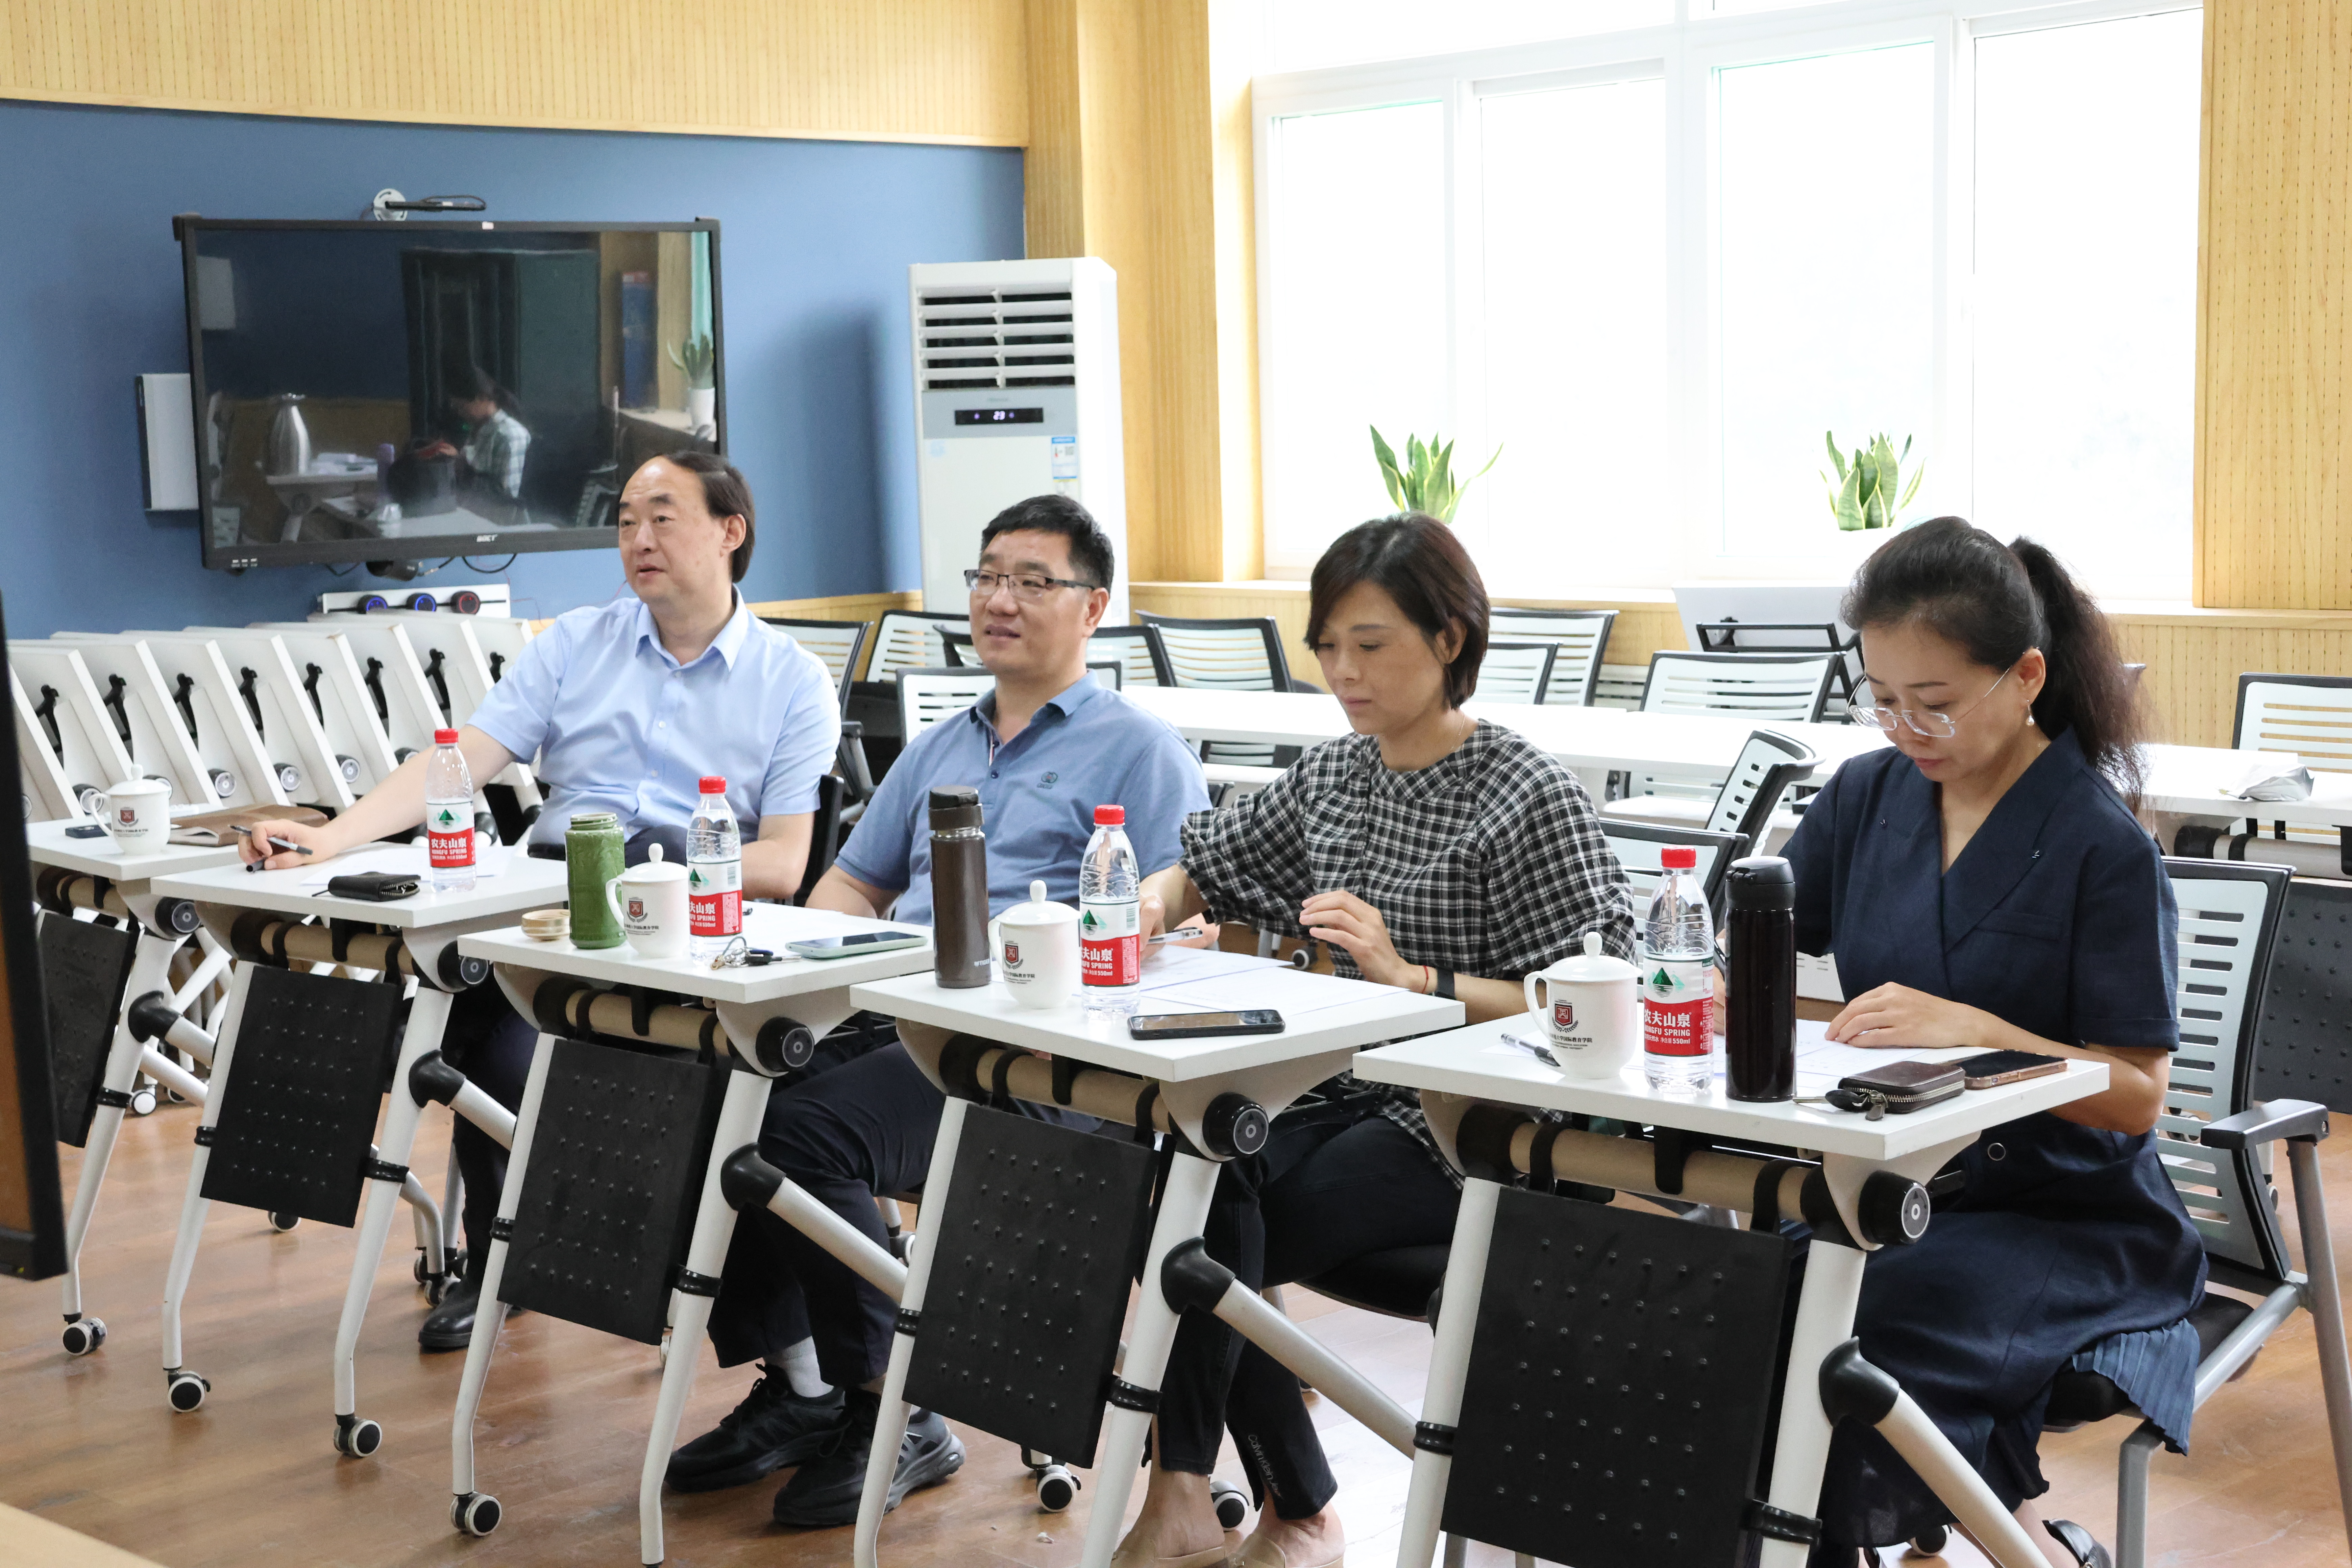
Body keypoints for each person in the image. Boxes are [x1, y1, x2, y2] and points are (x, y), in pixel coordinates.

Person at [667, 492, 1213, 1529]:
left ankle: (896, 1405)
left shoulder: (1138, 750)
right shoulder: (940, 746)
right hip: (896, 1009)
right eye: (987, 577)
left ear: (1093, 607)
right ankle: (805, 1387)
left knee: (799, 1134)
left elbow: (1179, 918)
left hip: (1023, 1048)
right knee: (710, 1087)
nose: (999, 600)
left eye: (1032, 581)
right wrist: (790, 971)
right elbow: (850, 886)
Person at [1118, 513, 1635, 1568]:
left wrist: (1414, 980)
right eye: (1327, 647)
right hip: (1342, 1090)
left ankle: (1249, 1504)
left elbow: (1599, 1005)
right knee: (1172, 1178)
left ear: (1450, 639)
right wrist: (1141, 908)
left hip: (1471, 1116)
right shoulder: (1338, 775)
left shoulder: (1525, 795)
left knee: (1209, 1231)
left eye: (1370, 644)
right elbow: (1204, 863)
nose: (1343, 673)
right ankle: (1245, 1500)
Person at [239, 450, 840, 1349]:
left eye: (663, 516)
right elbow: (460, 762)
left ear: (730, 531)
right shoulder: (574, 644)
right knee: (462, 1016)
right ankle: (498, 1258)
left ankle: (597, 1251)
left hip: (683, 920)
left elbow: (784, 864)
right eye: (626, 520)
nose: (638, 538)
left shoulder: (791, 678)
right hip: (545, 901)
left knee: (518, 1046)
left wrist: (647, 875)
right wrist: (333, 837)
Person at [1784, 518, 2203, 1568]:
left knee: (1856, 1331)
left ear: (2024, 678)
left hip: (2067, 1215)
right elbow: (1758, 938)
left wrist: (1979, 1033)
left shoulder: (2101, 845)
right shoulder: (1865, 796)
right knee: (1741, 1298)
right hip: (1895, 1182)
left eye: (1933, 701)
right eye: (1882, 698)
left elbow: (2136, 1096)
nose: (1906, 728)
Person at [421, 365, 531, 505]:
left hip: (499, 515)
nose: (459, 413)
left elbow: (507, 498)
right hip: (475, 509)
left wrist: (463, 466)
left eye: (462, 407)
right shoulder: (480, 429)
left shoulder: (510, 434)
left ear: (482, 397)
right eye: (456, 408)